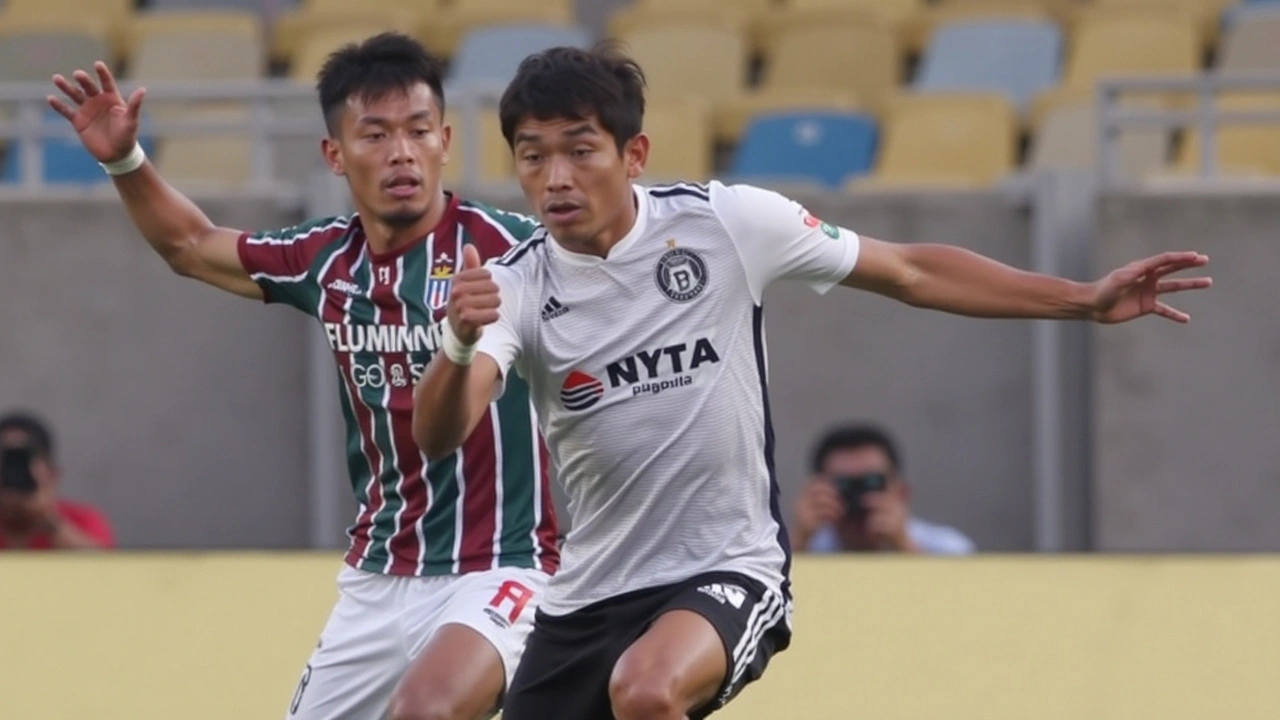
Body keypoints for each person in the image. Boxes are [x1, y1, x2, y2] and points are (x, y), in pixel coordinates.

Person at [411, 43, 1211, 720]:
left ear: (634, 155)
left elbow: (909, 271)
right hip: (584, 593)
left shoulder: (725, 224)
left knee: (648, 691)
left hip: (723, 569)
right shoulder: (509, 286)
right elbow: (440, 432)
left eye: (580, 149)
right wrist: (456, 342)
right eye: (533, 154)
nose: (555, 177)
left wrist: (1080, 298)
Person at [47, 32, 559, 720]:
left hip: (503, 562)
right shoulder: (325, 260)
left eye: (416, 131)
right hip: (380, 574)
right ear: (334, 154)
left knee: (427, 712)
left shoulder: (515, 252)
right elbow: (192, 246)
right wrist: (126, 161)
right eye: (374, 134)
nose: (400, 152)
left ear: (444, 140)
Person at [793, 423, 974, 555]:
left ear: (902, 492)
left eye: (872, 483)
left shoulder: (947, 549)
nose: (858, 497)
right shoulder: (807, 549)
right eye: (843, 485)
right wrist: (797, 544)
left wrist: (904, 548)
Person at [0, 411, 115, 550]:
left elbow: (103, 567)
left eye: (24, 459)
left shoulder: (84, 520)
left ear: (52, 473)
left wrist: (47, 520)